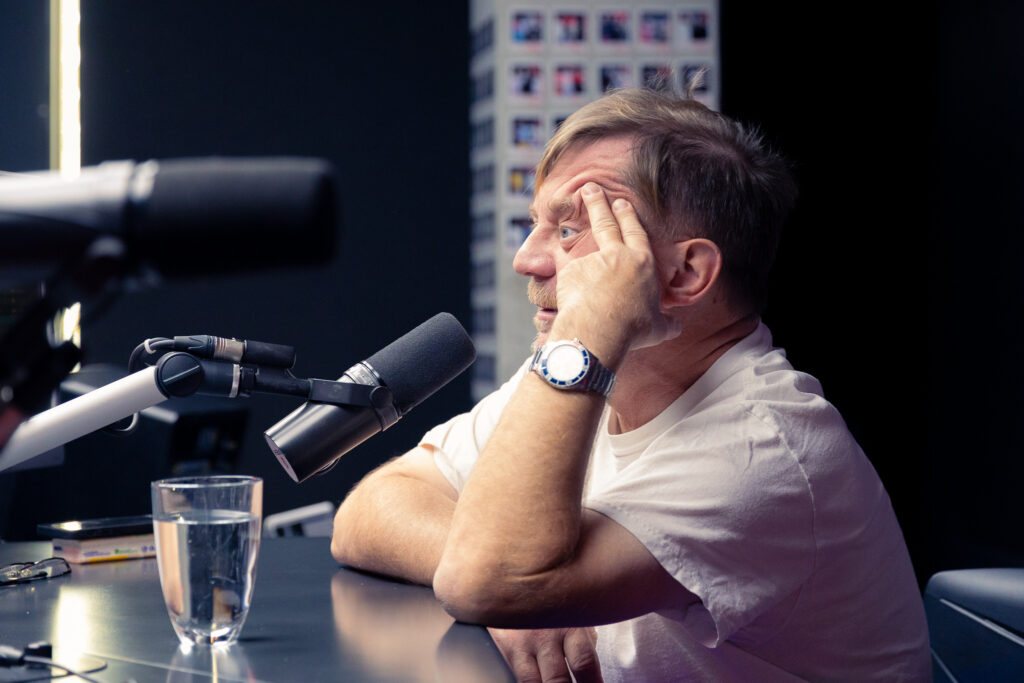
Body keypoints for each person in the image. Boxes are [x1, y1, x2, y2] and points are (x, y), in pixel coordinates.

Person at [331, 87, 931, 682]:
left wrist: (500, 577)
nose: (526, 259)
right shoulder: (581, 372)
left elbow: (482, 581)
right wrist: (502, 578)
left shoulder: (764, 446)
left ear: (684, 273)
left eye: (571, 230)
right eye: (536, 224)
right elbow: (371, 508)